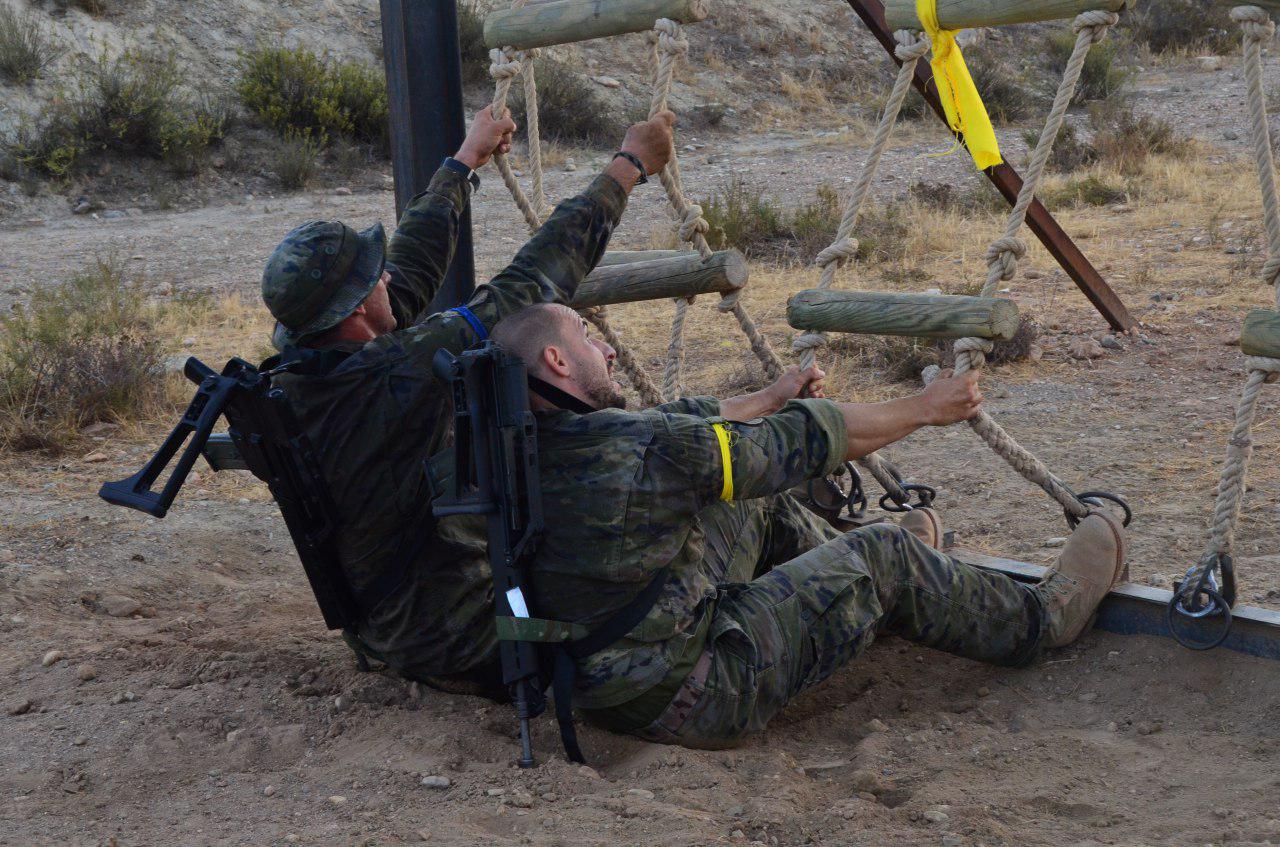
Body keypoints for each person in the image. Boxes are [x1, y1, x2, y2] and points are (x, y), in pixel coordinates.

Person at [488, 302, 1127, 748]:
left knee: (744, 502)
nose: (606, 347)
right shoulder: (640, 450)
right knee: (882, 552)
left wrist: (767, 396)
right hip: (697, 693)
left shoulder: (518, 448)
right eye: (586, 337)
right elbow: (799, 442)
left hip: (599, 683)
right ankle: (1043, 618)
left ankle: (875, 595)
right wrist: (927, 407)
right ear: (558, 360)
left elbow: (679, 426)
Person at [255, 106, 683, 692]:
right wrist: (628, 166)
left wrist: (463, 163)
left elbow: (406, 274)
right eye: (373, 277)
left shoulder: (303, 374)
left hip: (382, 627)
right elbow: (531, 282)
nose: (386, 278)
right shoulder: (396, 376)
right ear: (354, 311)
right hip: (456, 638)